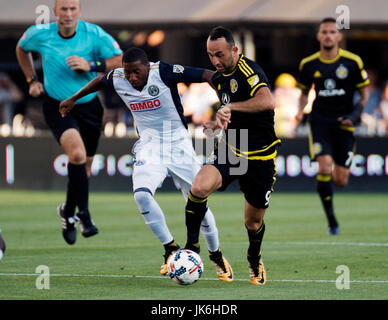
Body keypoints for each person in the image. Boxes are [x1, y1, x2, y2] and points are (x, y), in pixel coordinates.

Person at [59, 47, 234, 281]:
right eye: (128, 72)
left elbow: (206, 75)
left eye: (137, 72)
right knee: (141, 195)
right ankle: (170, 249)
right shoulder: (118, 77)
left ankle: (216, 254)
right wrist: (73, 99)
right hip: (149, 146)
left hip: (178, 144)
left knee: (198, 202)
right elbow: (100, 80)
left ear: (147, 66)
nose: (132, 77)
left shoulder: (163, 71)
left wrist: (225, 102)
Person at [16, 0, 123, 245]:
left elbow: (120, 59)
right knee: (76, 154)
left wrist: (92, 65)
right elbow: (21, 49)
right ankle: (84, 216)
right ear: (55, 11)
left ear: (79, 11)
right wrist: (31, 79)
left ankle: (67, 212)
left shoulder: (94, 34)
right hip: (58, 106)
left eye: (73, 9)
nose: (68, 14)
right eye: (63, 9)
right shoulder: (41, 34)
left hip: (90, 106)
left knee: (84, 169)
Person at [183, 26, 279, 286]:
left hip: (261, 155)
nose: (215, 61)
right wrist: (218, 122)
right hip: (233, 146)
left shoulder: (249, 71)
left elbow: (267, 101)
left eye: (220, 54)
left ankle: (254, 257)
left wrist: (230, 107)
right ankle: (192, 248)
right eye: (210, 55)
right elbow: (228, 107)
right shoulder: (219, 77)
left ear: (235, 50)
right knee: (199, 187)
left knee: (253, 222)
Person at [296, 17, 370, 235]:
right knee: (324, 165)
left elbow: (364, 95)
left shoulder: (352, 62)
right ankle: (332, 223)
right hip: (320, 122)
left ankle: (332, 214)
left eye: (332, 32)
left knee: (341, 180)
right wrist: (300, 111)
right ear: (319, 36)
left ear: (339, 36)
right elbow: (302, 93)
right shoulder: (308, 64)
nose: (328, 35)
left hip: (344, 123)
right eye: (324, 32)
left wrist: (355, 115)